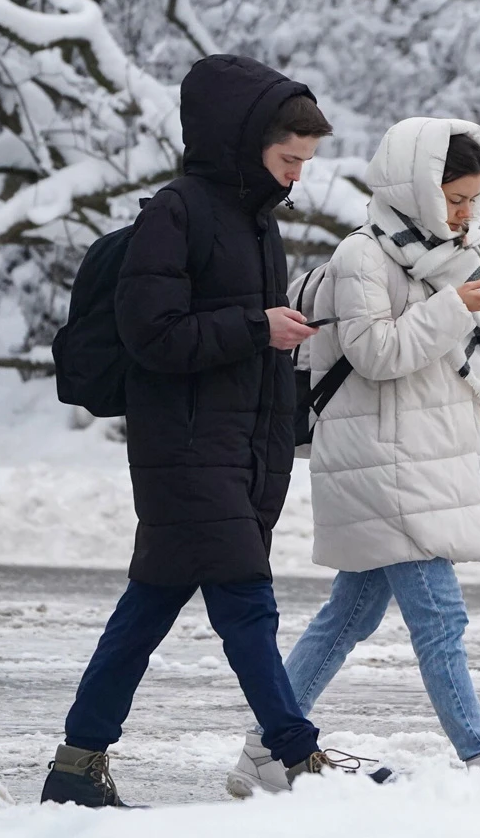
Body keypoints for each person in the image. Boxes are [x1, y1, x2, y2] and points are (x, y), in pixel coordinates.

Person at [41, 55, 371, 807]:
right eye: (289, 159)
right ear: (242, 140)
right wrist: (257, 326)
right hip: (185, 448)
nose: (296, 177)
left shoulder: (258, 224)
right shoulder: (177, 213)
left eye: (306, 164)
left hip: (234, 449)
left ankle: (75, 766)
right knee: (246, 605)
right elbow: (151, 335)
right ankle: (294, 754)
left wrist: (284, 372)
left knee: (148, 608)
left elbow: (242, 344)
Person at [225, 116, 480, 798]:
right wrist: (454, 306)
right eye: (454, 198)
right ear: (415, 186)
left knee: (350, 615)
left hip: (426, 455)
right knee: (440, 617)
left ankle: (267, 751)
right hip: (380, 457)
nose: (465, 212)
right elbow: (376, 353)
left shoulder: (465, 249)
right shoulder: (364, 255)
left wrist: (469, 299)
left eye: (474, 198)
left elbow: (449, 351)